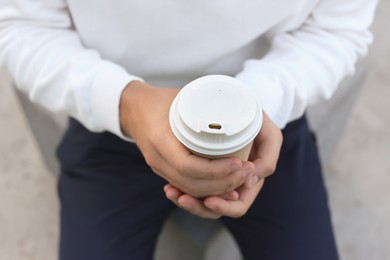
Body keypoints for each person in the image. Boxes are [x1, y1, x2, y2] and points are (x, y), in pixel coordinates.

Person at [0, 0, 378, 259]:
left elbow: (336, 28)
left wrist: (259, 104)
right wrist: (125, 103)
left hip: (264, 120)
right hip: (114, 120)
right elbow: (23, 26)